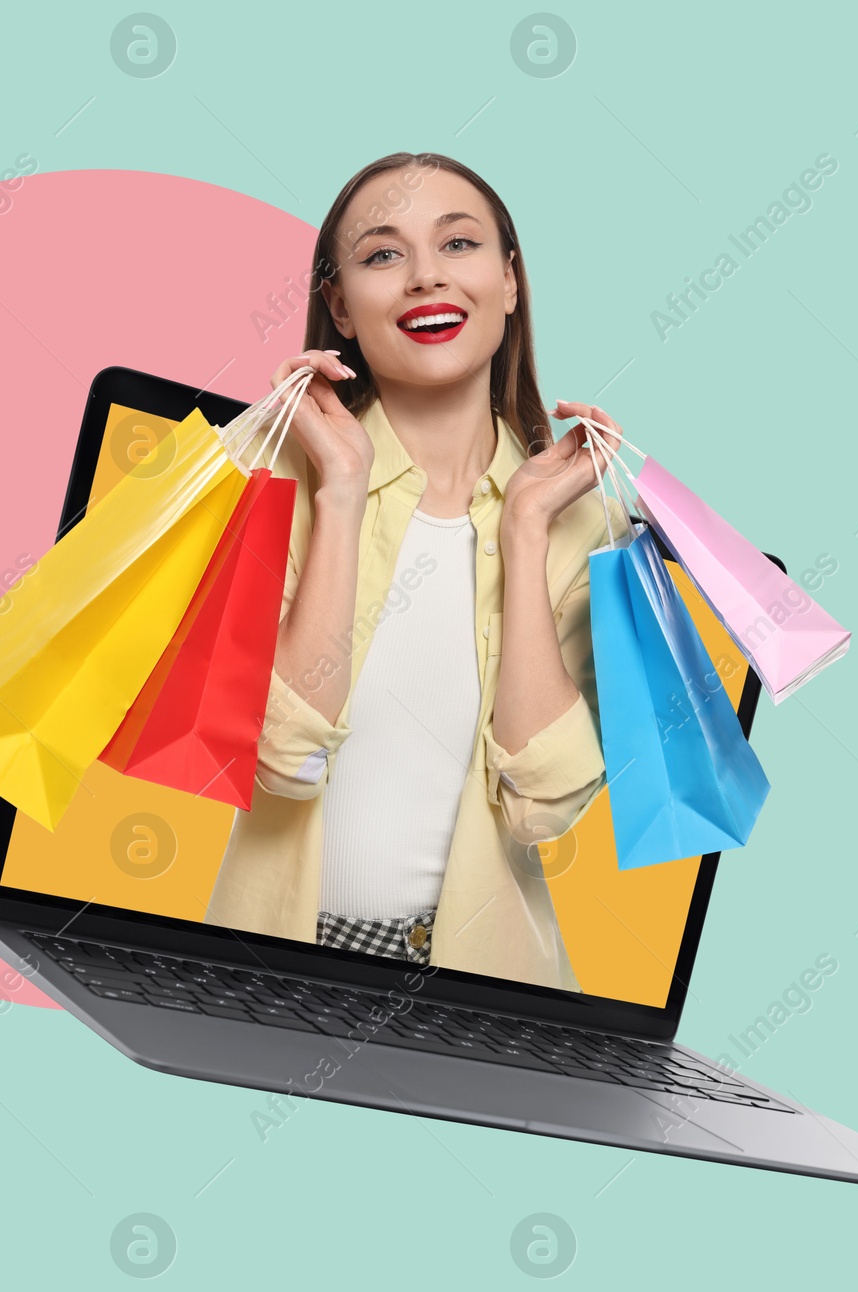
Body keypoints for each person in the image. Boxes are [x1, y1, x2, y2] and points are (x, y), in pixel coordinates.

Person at [204, 151, 630, 992]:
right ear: (341, 307)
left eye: (459, 244)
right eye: (382, 255)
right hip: (263, 982)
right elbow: (278, 759)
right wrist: (341, 494)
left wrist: (526, 528)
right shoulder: (255, 470)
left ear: (510, 282)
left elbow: (545, 807)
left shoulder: (589, 519)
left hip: (490, 995)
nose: (425, 278)